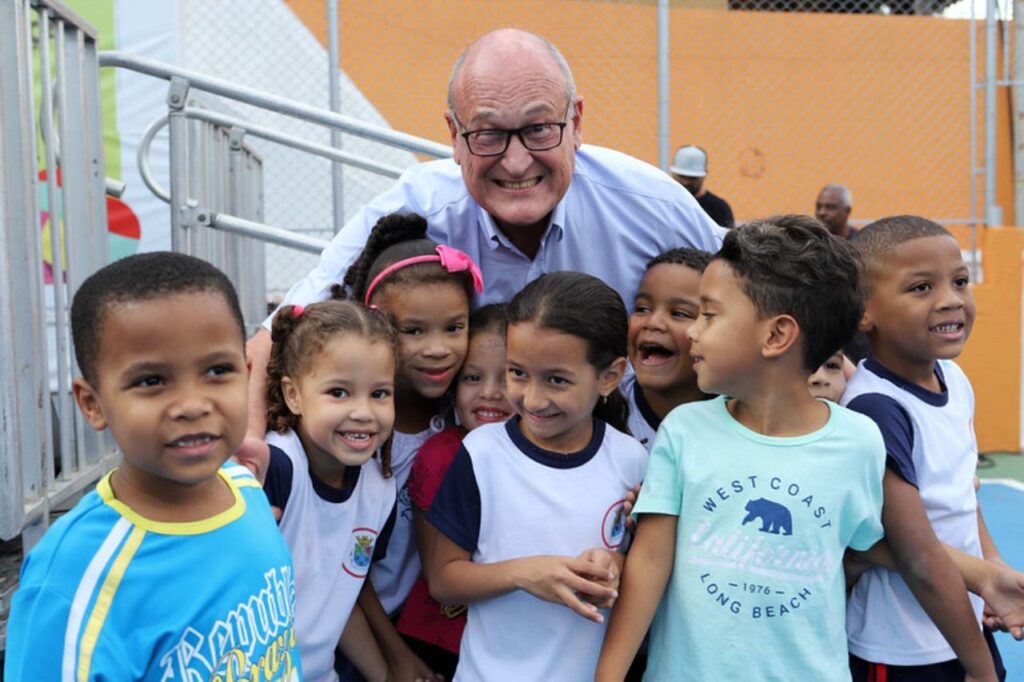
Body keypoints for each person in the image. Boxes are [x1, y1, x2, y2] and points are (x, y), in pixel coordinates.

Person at [242, 28, 724, 468]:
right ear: (455, 136)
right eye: (489, 134)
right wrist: (250, 453)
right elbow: (280, 332)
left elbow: (751, 298)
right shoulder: (416, 208)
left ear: (575, 122)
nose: (516, 163)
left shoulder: (651, 206)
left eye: (538, 129)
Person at [597, 216, 888, 681]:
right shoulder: (685, 431)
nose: (694, 331)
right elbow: (650, 562)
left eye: (709, 315)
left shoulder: (859, 443)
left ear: (776, 336)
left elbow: (856, 553)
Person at [4, 252, 300, 681]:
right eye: (151, 381)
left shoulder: (247, 489)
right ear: (93, 403)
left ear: (247, 371)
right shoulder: (75, 580)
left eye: (218, 370)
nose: (193, 405)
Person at [426, 272, 648, 681]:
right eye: (518, 372)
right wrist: (524, 574)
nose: (532, 398)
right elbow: (443, 579)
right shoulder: (482, 454)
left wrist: (615, 564)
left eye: (557, 380)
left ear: (610, 376)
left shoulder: (633, 461)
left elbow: (645, 572)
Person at [842, 215, 1006, 681]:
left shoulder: (953, 378)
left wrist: (990, 567)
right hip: (902, 649)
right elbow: (915, 557)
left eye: (959, 281)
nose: (951, 300)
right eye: (921, 288)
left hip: (963, 625)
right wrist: (981, 669)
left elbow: (961, 490)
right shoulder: (877, 408)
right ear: (863, 311)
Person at [339, 212, 479, 680]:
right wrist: (394, 656)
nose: (438, 349)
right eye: (414, 331)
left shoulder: (462, 415)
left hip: (421, 625)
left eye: (454, 328)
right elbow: (343, 563)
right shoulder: (357, 429)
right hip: (351, 628)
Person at [262, 299, 399, 681]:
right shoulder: (275, 469)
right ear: (293, 395)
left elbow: (339, 597)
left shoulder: (380, 485)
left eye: (380, 393)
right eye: (339, 392)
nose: (363, 411)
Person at [397, 304, 513, 680]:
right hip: (440, 640)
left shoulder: (549, 453)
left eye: (508, 377)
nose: (490, 394)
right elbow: (438, 575)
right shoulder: (440, 456)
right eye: (473, 378)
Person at [625, 247, 712, 449]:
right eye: (642, 308)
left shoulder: (741, 421)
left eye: (679, 313)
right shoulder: (598, 410)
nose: (653, 322)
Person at [670, 145, 735, 228]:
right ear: (673, 173)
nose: (685, 182)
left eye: (692, 178)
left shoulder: (719, 208)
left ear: (704, 175)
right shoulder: (665, 201)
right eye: (681, 176)